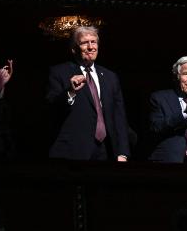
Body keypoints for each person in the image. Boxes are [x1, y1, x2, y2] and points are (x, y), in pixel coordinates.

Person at [46, 26, 130, 161]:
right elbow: (51, 108)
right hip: (72, 151)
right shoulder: (59, 72)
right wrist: (70, 91)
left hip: (106, 151)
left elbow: (119, 117)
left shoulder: (110, 77)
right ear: (74, 49)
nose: (91, 47)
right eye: (85, 43)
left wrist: (122, 152)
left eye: (94, 42)